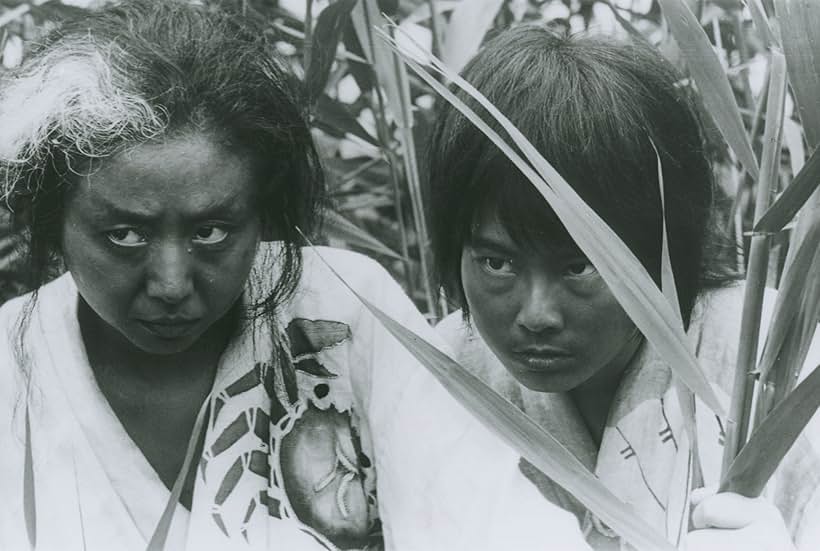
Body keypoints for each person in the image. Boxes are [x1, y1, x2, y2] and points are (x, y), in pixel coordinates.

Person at [0, 4, 593, 550]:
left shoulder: (343, 310)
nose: (173, 283)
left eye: (212, 231)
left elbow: (491, 525)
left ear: (263, 214)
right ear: (53, 225)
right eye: (125, 236)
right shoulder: (12, 374)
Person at [427, 26, 820, 550]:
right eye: (497, 262)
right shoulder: (444, 378)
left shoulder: (777, 366)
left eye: (579, 267)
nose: (537, 314)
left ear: (663, 250)